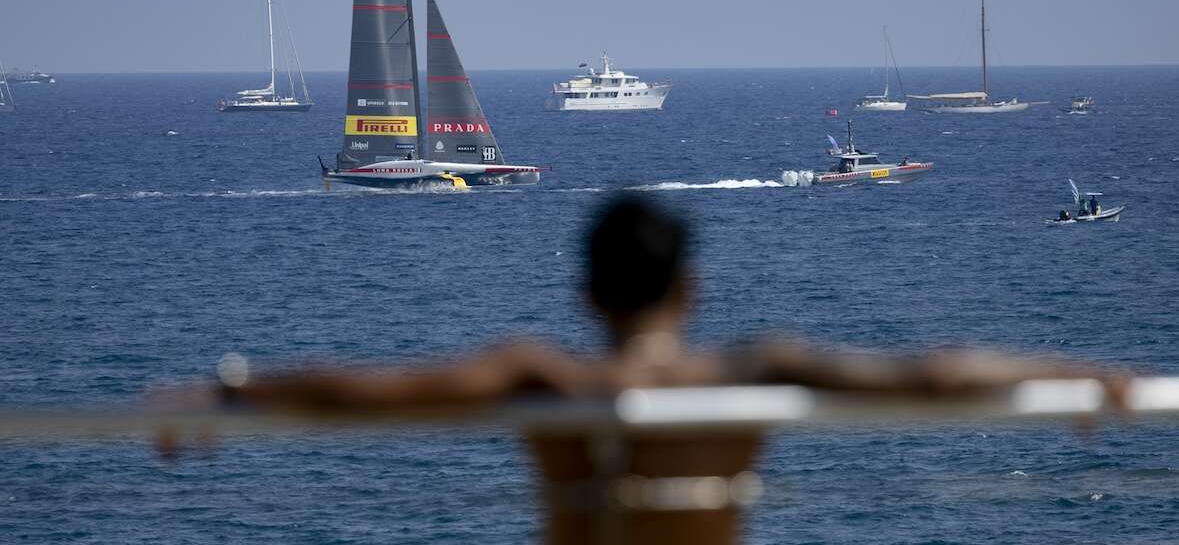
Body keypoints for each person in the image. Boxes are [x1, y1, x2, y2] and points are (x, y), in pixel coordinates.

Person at [165, 195, 1127, 545]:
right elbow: (934, 374)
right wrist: (1079, 371)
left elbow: (361, 391)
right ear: (692, 290)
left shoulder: (539, 377)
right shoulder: (754, 370)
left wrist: (228, 387)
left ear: (587, 295)